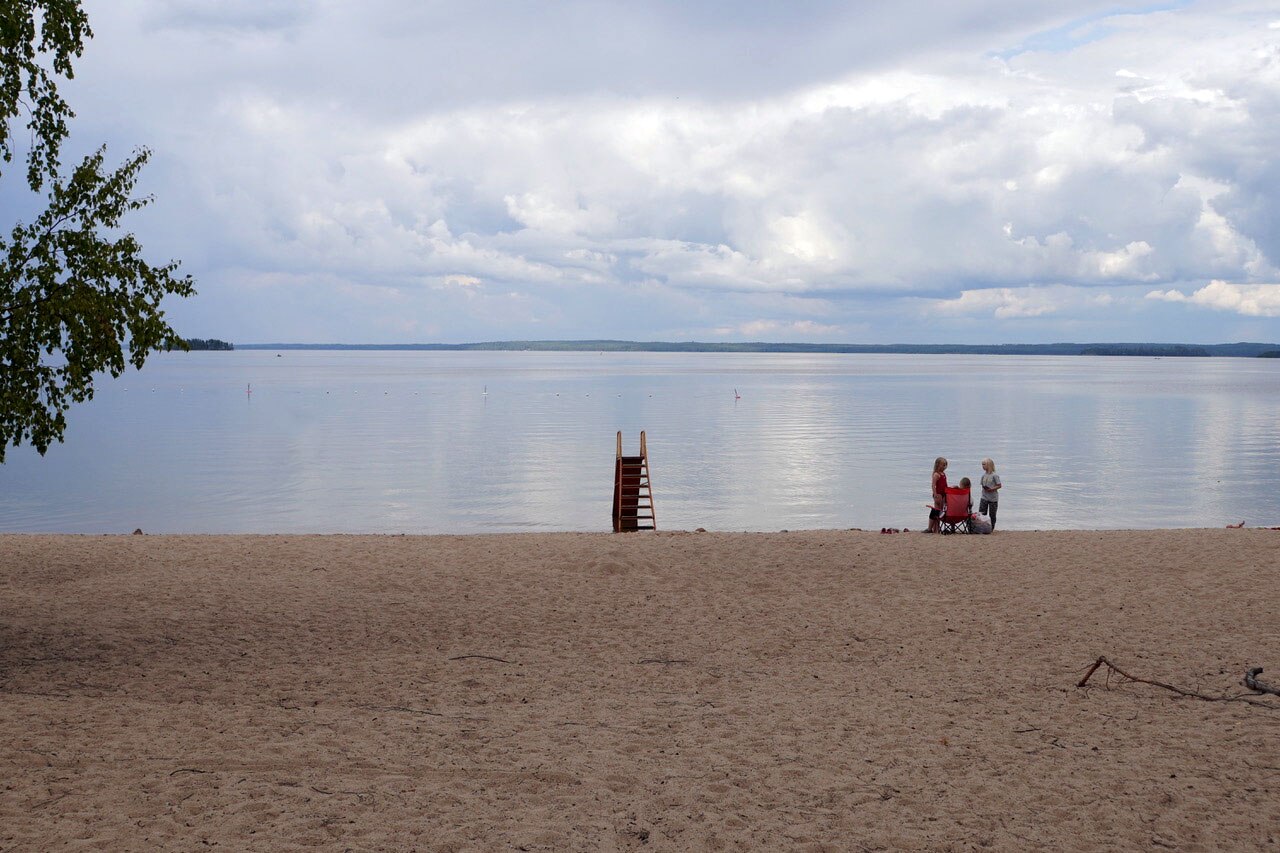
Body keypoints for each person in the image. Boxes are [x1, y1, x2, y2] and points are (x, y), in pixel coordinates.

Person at [980, 458, 1002, 531]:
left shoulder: (994, 475)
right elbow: (982, 485)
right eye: (982, 464)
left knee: (992, 514)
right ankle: (982, 526)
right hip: (984, 497)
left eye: (984, 464)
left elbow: (999, 485)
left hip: (993, 498)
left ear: (989, 465)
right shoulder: (983, 475)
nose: (982, 466)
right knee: (982, 513)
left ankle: (991, 528)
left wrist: (992, 489)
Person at [928, 457, 948, 533]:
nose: (944, 467)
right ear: (938, 465)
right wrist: (935, 494)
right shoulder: (936, 474)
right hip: (938, 494)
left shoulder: (943, 474)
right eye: (943, 465)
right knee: (937, 511)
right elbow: (933, 485)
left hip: (944, 494)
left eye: (945, 465)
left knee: (940, 512)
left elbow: (945, 484)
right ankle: (935, 528)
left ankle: (937, 528)